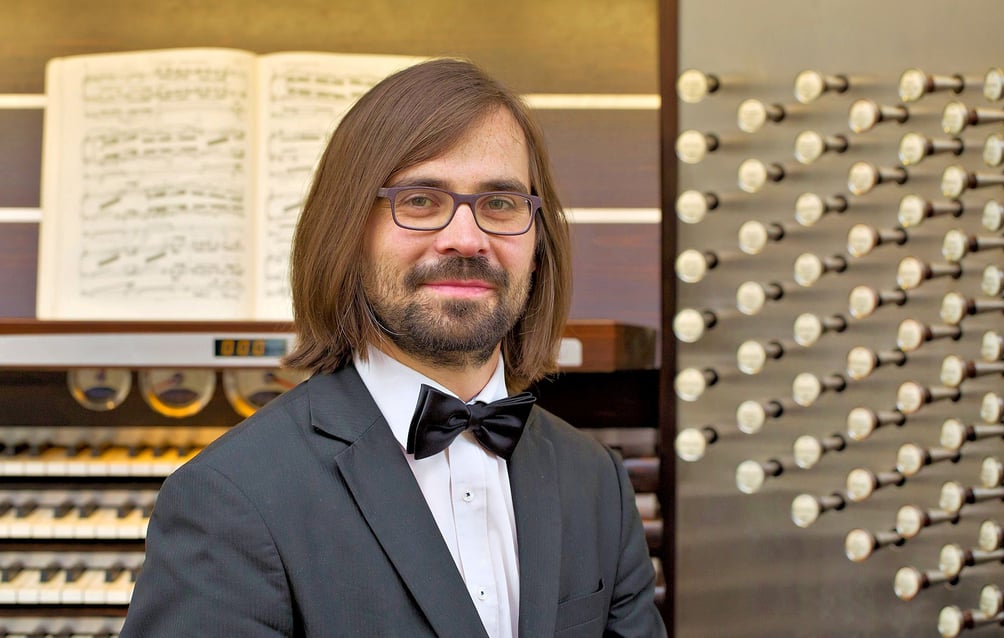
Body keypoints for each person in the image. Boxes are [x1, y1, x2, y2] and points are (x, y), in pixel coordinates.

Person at [122, 57, 666, 638]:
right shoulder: (228, 499)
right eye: (421, 200)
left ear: (539, 241)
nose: (466, 238)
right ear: (349, 233)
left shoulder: (597, 482)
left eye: (501, 203)